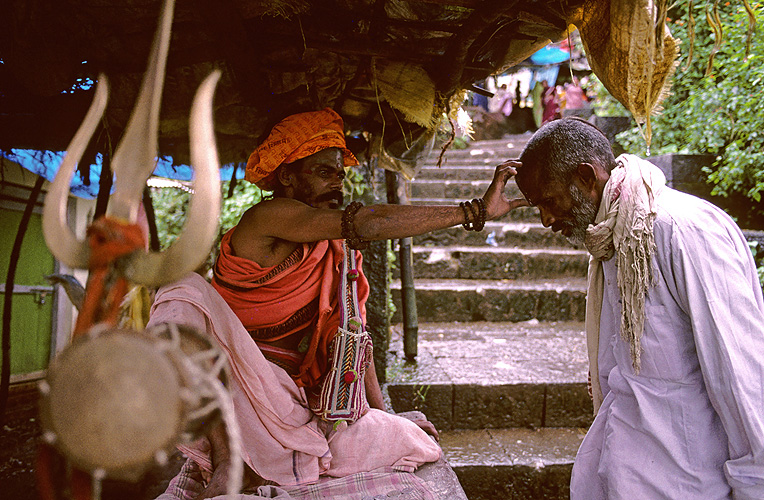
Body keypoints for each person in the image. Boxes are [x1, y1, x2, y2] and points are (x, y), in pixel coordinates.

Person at [150, 107, 528, 498]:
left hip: (293, 408)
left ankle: (268, 463)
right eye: (324, 172)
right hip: (231, 397)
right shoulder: (267, 217)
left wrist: (382, 413)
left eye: (340, 174)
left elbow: (354, 336)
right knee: (182, 289)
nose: (337, 184)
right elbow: (370, 221)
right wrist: (476, 211)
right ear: (286, 176)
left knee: (412, 442)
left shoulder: (335, 249)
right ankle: (229, 457)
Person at [511, 117, 764, 499]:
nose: (546, 219)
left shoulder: (679, 231)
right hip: (627, 469)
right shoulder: (611, 236)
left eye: (548, 201)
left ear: (586, 176)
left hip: (689, 481)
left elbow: (740, 374)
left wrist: (754, 484)